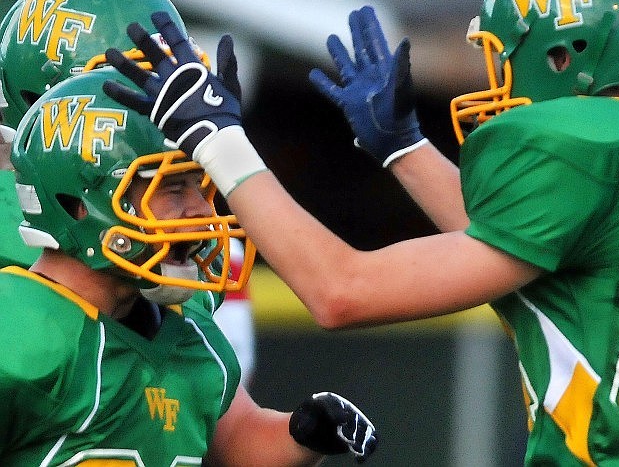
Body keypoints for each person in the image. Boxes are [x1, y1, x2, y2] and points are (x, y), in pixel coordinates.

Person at [102, 0, 619, 465]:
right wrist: (405, 150)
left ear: (565, 53)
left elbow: (341, 290)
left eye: (507, 54)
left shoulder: (581, 143)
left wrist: (218, 143)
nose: (500, 76)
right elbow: (528, 243)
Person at [0, 67, 377, 465]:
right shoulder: (19, 331)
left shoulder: (188, 330)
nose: (200, 211)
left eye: (201, 186)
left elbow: (235, 443)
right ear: (79, 205)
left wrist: (304, 434)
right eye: (173, 186)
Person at [0, 0, 257, 385]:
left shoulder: (192, 229)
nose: (170, 93)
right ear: (44, 93)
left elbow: (216, 410)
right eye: (138, 73)